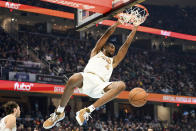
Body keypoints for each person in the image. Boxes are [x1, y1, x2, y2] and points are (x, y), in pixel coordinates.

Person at [43, 20, 138, 129]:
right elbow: (106, 35)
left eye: (114, 48)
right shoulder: (95, 52)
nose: (113, 48)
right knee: (73, 78)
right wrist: (117, 23)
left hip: (100, 85)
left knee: (121, 85)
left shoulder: (113, 61)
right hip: (87, 78)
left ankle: (87, 110)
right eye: (110, 46)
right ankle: (59, 113)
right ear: (103, 48)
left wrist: (134, 29)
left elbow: (125, 46)